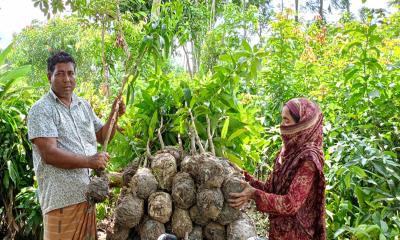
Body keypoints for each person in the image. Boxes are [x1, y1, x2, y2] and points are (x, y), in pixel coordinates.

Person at [27, 51, 125, 240]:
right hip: (61, 203)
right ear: (50, 77)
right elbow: (49, 154)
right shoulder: (41, 109)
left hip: (87, 199)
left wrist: (114, 114)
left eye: (71, 73)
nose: (67, 79)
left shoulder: (83, 106)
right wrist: (90, 161)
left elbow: (102, 135)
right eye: (60, 74)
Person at [229, 98, 326, 240]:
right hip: (278, 233)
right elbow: (270, 189)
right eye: (282, 119)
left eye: (287, 121)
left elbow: (290, 204)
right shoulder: (286, 153)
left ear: (303, 124)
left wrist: (254, 194)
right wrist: (243, 175)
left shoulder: (309, 159)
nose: (282, 125)